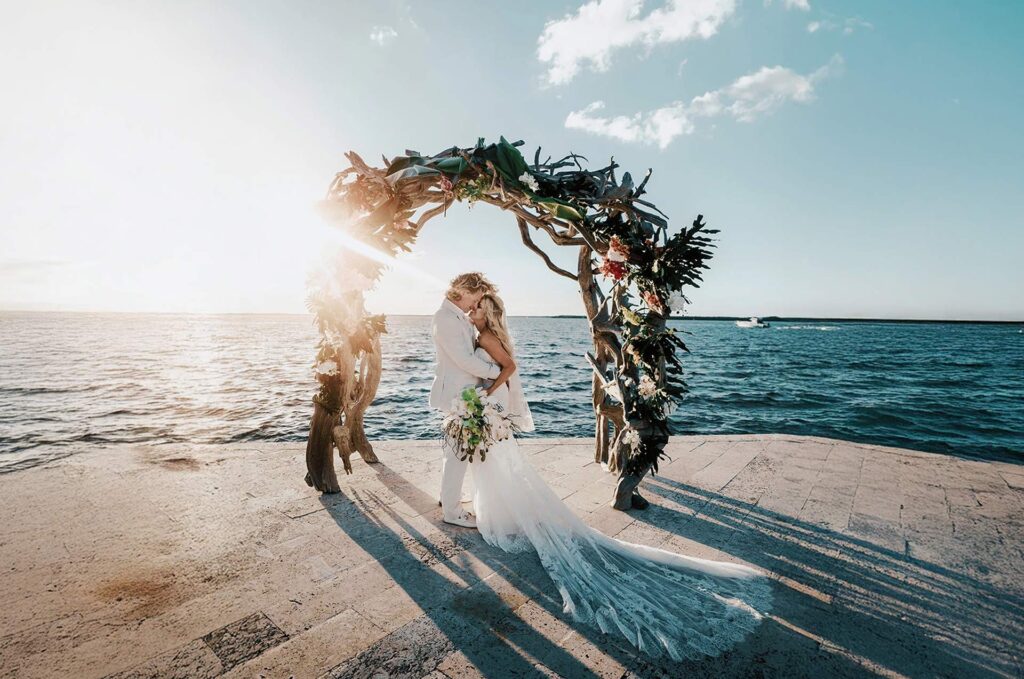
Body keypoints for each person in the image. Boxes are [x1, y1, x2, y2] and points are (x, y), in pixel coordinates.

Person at [465, 290, 773, 662]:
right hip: (493, 403)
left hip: (489, 401)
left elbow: (508, 368)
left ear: (488, 313)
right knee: (501, 463)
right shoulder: (483, 334)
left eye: (476, 307)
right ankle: (502, 509)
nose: (471, 311)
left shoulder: (485, 337)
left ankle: (500, 512)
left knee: (500, 463)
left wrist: (486, 393)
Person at [429, 272, 500, 528]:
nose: (476, 304)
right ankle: (452, 512)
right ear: (466, 291)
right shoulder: (446, 319)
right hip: (457, 395)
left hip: (465, 392)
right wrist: (498, 373)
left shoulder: (457, 317)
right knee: (458, 452)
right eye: (477, 297)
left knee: (456, 451)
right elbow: (464, 360)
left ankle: (448, 498)